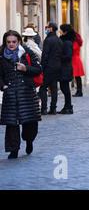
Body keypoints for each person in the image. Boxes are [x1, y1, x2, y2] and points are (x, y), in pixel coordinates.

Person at [0, 30, 42, 159]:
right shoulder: (1, 56)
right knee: (12, 124)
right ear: (5, 42)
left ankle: (29, 141)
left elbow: (38, 69)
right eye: (8, 42)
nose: (11, 44)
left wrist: (26, 68)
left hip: (27, 93)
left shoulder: (27, 53)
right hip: (10, 94)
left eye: (14, 42)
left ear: (19, 41)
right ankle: (14, 150)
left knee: (30, 123)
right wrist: (3, 86)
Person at [39, 22, 63, 115]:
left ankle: (44, 108)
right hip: (57, 67)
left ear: (51, 28)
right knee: (54, 88)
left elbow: (45, 55)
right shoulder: (59, 40)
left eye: (47, 27)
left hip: (48, 67)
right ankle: (53, 109)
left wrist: (42, 67)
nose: (46, 29)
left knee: (43, 88)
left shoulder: (48, 40)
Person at [58, 24, 74, 114]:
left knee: (65, 88)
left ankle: (68, 106)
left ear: (65, 32)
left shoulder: (67, 42)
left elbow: (68, 56)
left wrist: (58, 56)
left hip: (65, 68)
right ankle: (67, 106)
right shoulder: (64, 41)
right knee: (64, 88)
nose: (59, 31)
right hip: (63, 68)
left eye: (61, 30)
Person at [72, 31, 85, 97]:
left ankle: (79, 91)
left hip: (75, 60)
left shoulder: (75, 43)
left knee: (77, 77)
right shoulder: (76, 42)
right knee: (77, 77)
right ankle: (79, 91)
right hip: (76, 60)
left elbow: (72, 49)